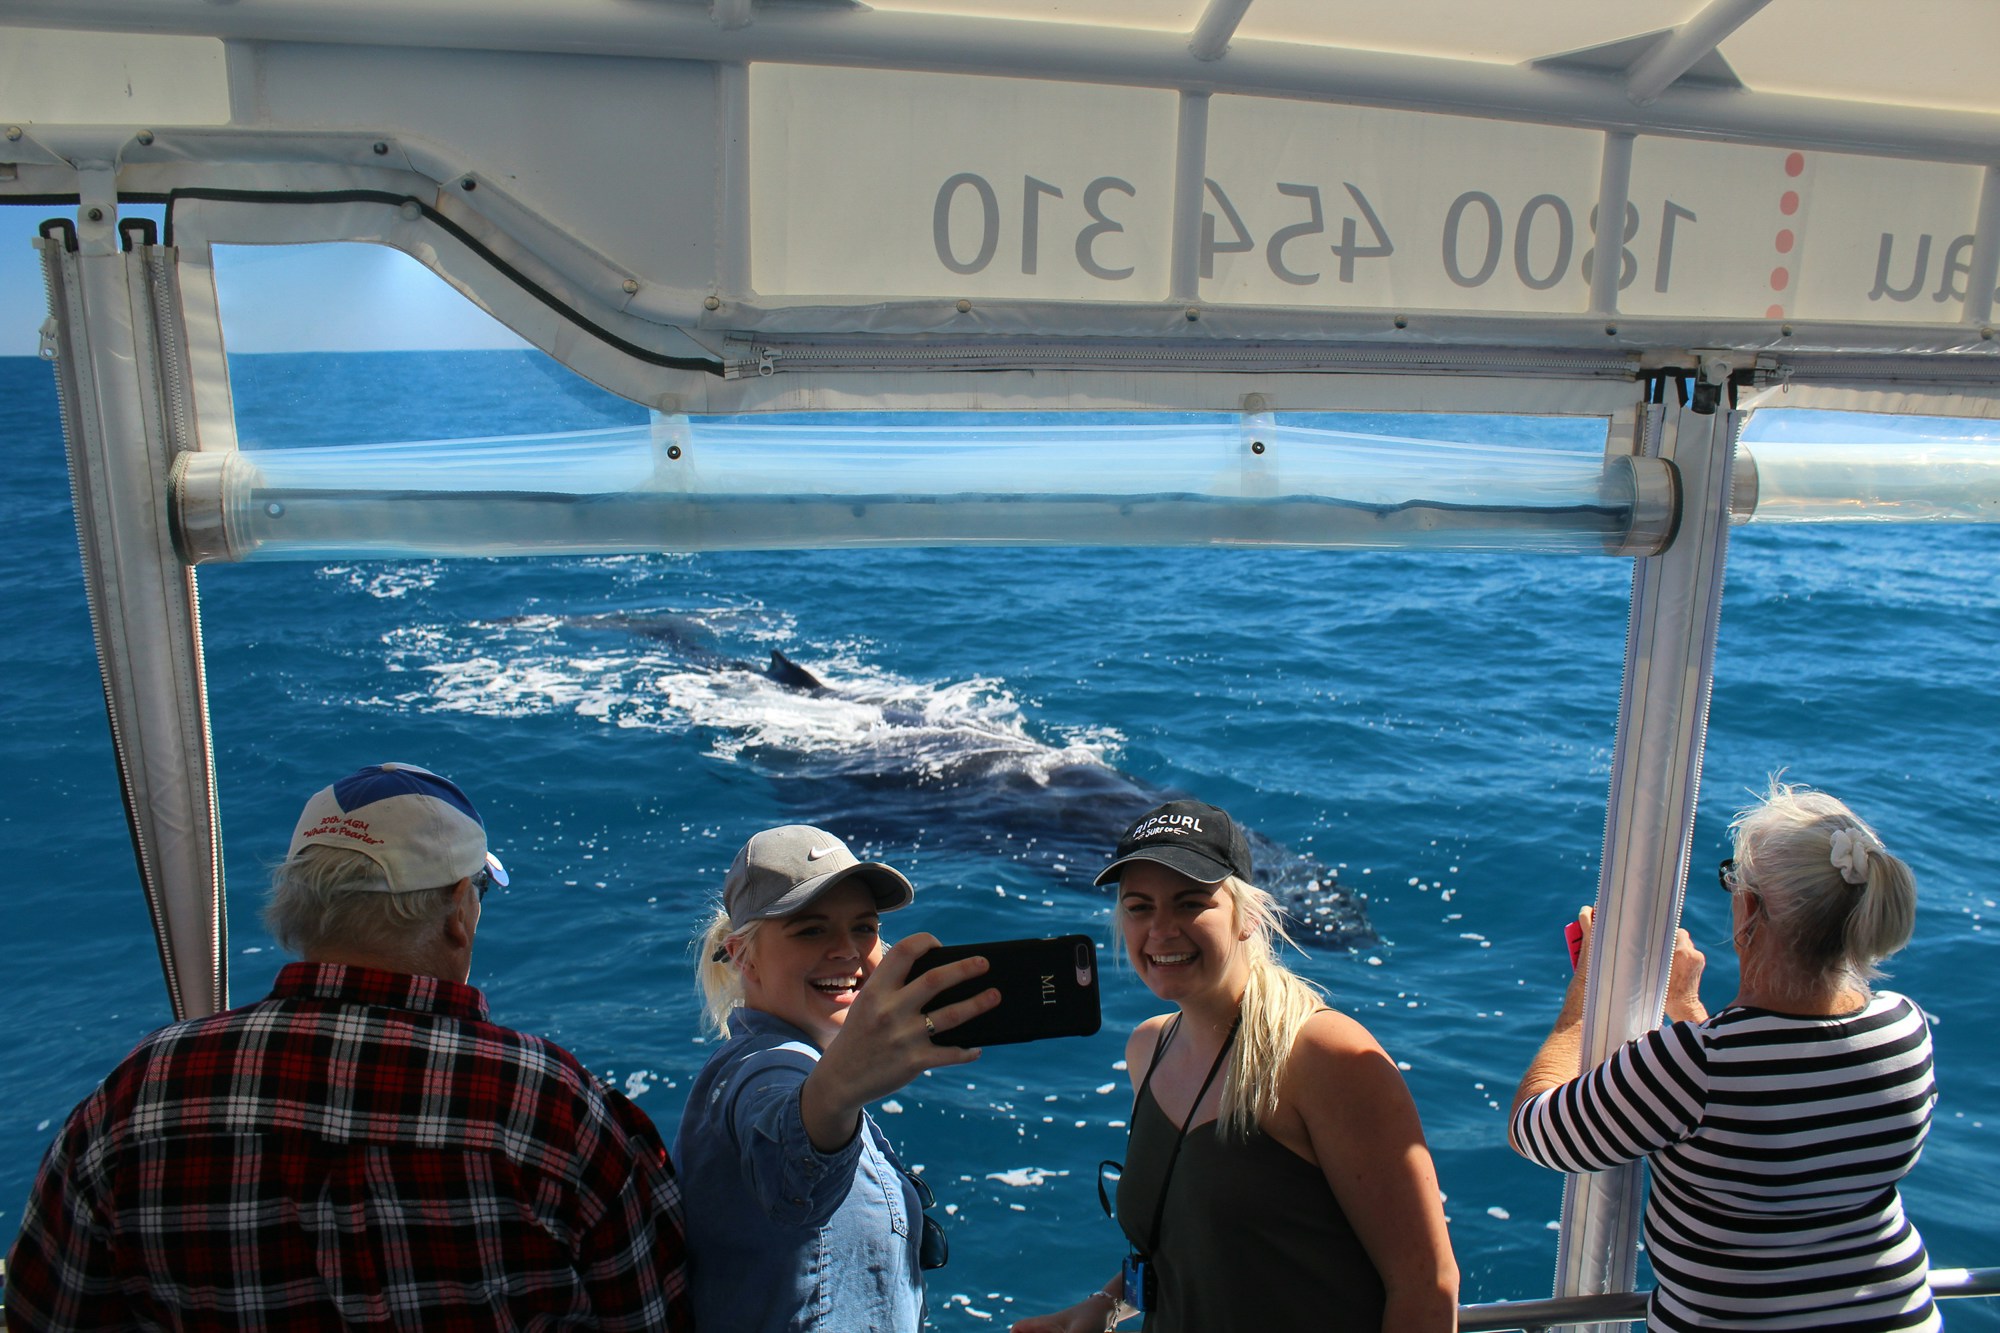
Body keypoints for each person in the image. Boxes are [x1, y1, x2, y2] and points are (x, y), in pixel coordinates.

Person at [4, 762, 692, 1333]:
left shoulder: (139, 1096)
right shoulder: (552, 1105)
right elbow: (655, 1312)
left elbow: (48, 1313)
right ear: (458, 911)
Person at [1014, 800, 1458, 1333]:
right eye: (1138, 907)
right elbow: (1178, 1249)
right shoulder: (1148, 1050)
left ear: (1246, 915)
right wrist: (1106, 1306)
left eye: (1190, 903)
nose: (1161, 929)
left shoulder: (1322, 1055)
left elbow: (1426, 1286)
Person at [1512, 779, 1939, 1332]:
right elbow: (1775, 1090)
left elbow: (1536, 1131)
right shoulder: (1903, 1029)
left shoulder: (1694, 1066)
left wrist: (1585, 997)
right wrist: (1688, 1006)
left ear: (1749, 910)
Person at [676, 824, 1000, 1333]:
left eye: (864, 927)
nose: (847, 950)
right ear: (743, 956)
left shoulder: (807, 1059)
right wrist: (840, 1088)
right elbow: (789, 1169)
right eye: (811, 929)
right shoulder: (763, 1067)